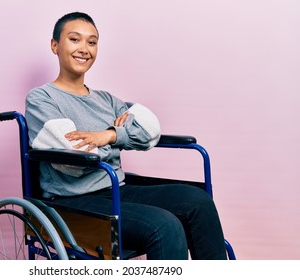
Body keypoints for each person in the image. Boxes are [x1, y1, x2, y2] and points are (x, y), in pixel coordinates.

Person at [25, 11, 227, 260]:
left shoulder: (106, 100)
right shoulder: (42, 98)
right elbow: (75, 159)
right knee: (164, 225)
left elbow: (149, 130)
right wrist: (121, 137)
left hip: (117, 188)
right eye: (75, 39)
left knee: (198, 201)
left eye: (92, 42)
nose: (84, 49)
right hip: (73, 201)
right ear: (55, 45)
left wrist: (109, 135)